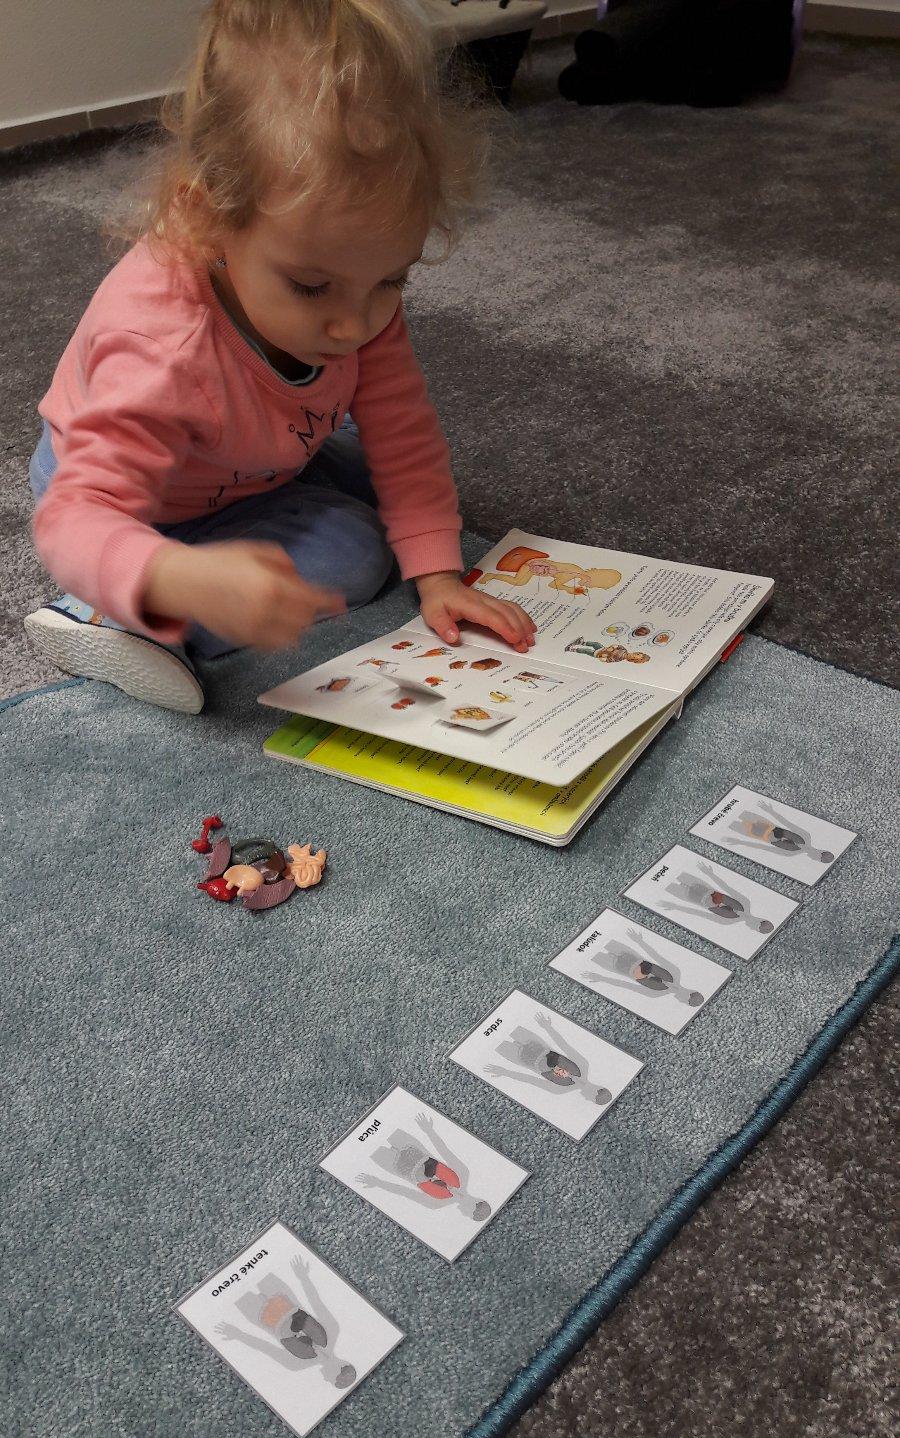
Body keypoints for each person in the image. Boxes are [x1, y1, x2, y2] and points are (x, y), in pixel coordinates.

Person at [24, 0, 535, 714]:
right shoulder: (159, 349)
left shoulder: (351, 292)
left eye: (393, 280)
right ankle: (104, 615)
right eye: (311, 286)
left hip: (251, 452)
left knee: (395, 486)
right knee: (355, 553)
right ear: (206, 218)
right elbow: (74, 517)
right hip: (132, 495)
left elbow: (403, 430)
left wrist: (440, 574)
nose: (354, 325)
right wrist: (180, 579)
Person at [216, 1254, 356, 1388]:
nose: (325, 1379)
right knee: (256, 1266)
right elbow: (316, 1302)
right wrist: (303, 1277)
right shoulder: (332, 1330)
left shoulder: (295, 1365)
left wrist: (238, 1335)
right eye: (330, 1379)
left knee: (228, 1287)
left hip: (258, 1315)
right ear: (338, 1368)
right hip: (281, 1294)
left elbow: (265, 1347)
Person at [357, 1112, 491, 1221]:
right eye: (468, 1214)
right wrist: (429, 1131)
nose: (464, 1215)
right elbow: (444, 1151)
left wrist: (378, 1183)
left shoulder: (436, 1204)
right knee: (384, 1121)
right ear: (474, 1206)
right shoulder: (463, 1174)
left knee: (362, 1147)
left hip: (394, 1166)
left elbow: (405, 1192)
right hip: (411, 1147)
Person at [485, 1010, 612, 1105]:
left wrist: (505, 1072)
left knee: (488, 1041)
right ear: (595, 1092)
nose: (586, 1099)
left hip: (520, 1058)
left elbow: (531, 1080)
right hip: (534, 1042)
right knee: (505, 1017)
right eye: (590, 1099)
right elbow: (563, 1045)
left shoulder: (560, 1090)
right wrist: (547, 1027)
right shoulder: (583, 1065)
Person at [587, 925, 704, 1007]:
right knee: (599, 935)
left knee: (588, 953)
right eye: (684, 1001)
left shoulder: (655, 994)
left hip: (614, 966)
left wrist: (602, 978)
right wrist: (640, 941)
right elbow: (656, 956)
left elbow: (627, 985)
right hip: (627, 953)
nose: (680, 1001)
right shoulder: (675, 972)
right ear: (688, 994)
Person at [659, 856, 774, 934]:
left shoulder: (728, 921)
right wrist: (710, 874)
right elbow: (726, 887)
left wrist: (676, 907)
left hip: (689, 897)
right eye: (755, 927)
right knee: (672, 866)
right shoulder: (745, 903)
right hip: (700, 885)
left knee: (662, 883)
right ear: (759, 920)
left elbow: (700, 913)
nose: (751, 928)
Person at [728, 799, 834, 864]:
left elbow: (763, 847)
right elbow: (786, 823)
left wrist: (740, 842)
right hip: (762, 822)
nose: (812, 859)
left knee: (729, 823)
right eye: (816, 858)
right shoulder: (806, 836)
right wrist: (771, 811)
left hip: (753, 833)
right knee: (736, 810)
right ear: (820, 853)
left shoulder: (791, 853)